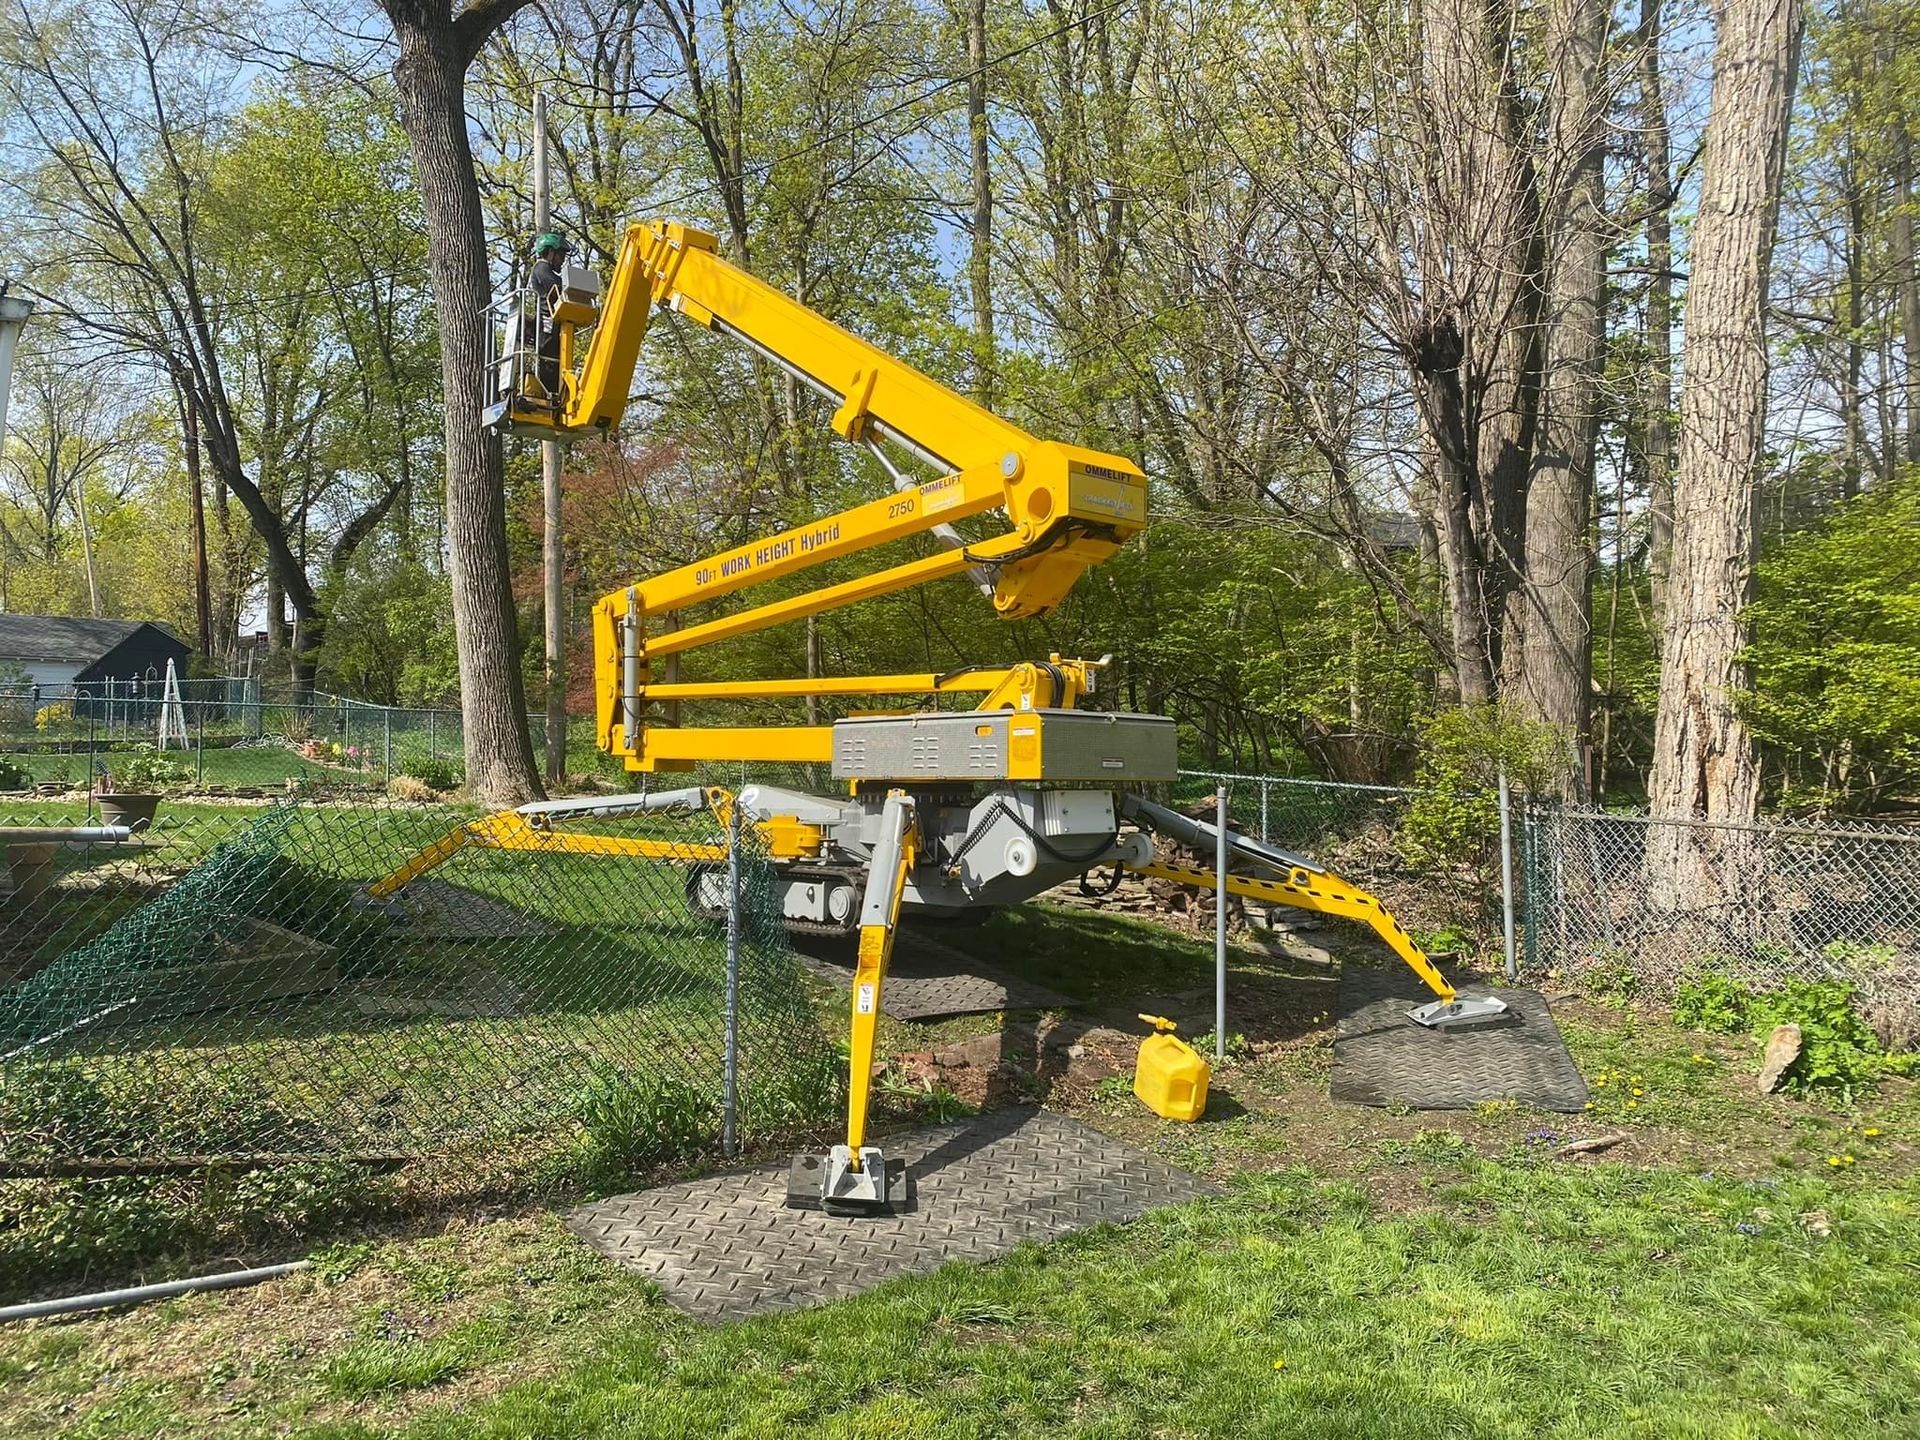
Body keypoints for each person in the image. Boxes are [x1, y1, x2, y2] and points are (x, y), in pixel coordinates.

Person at [527, 231, 570, 404]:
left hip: (553, 321)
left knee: (555, 358)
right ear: (551, 252)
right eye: (561, 255)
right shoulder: (541, 268)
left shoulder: (544, 269)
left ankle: (554, 391)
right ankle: (547, 392)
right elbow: (557, 286)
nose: (562, 260)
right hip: (547, 320)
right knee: (548, 357)